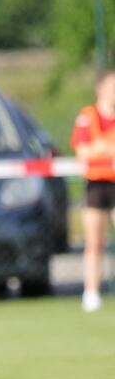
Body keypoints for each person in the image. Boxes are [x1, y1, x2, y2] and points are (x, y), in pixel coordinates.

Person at [71, 70, 115, 313]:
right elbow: (83, 151)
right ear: (100, 89)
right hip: (97, 185)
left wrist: (101, 148)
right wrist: (105, 149)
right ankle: (91, 292)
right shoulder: (88, 116)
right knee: (94, 242)